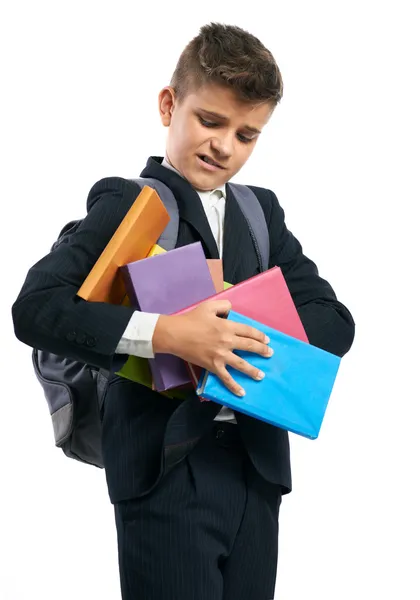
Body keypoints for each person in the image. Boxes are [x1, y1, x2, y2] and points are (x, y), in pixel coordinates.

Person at [12, 22, 355, 600]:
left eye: (247, 135)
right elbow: (36, 310)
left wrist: (232, 330)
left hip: (255, 468)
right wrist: (169, 334)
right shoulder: (130, 202)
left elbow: (334, 320)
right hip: (164, 467)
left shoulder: (259, 213)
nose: (225, 146)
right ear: (169, 105)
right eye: (211, 121)